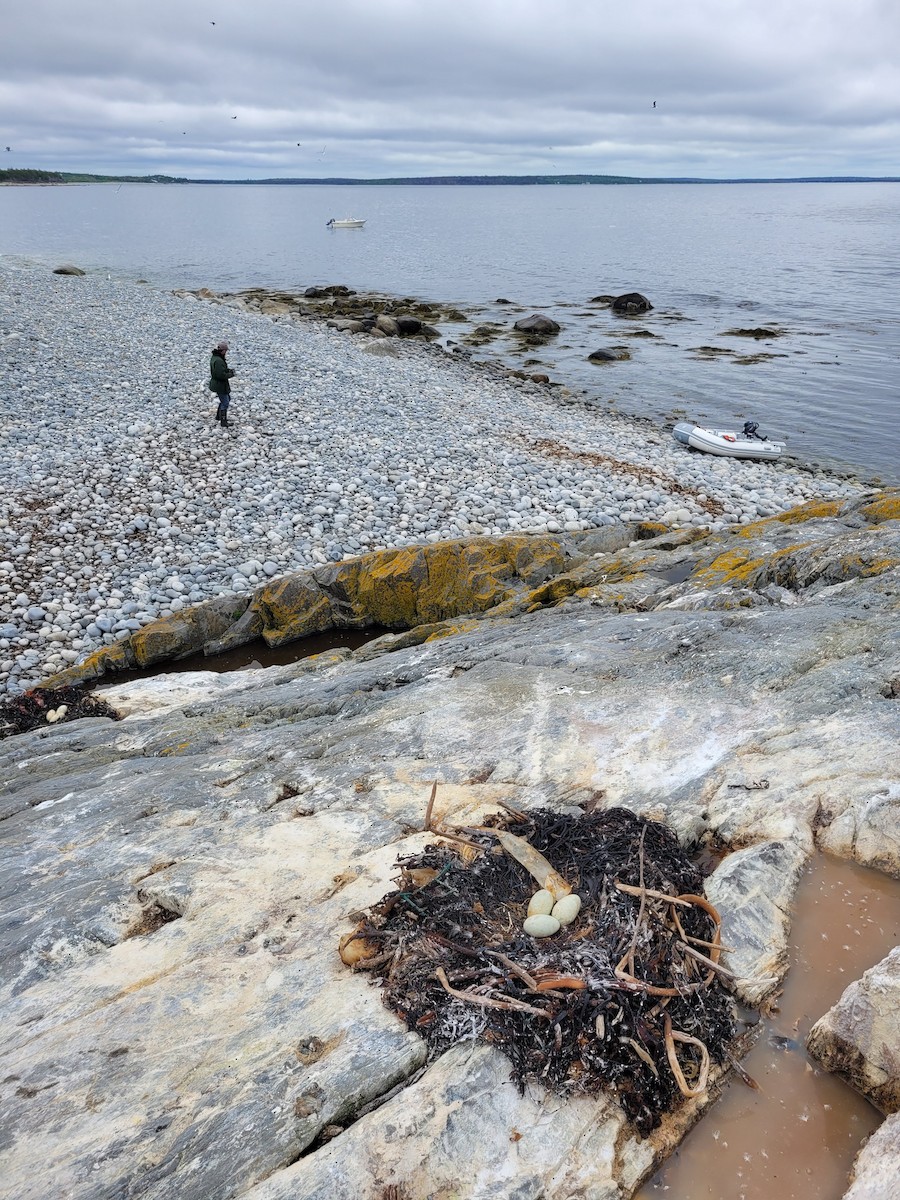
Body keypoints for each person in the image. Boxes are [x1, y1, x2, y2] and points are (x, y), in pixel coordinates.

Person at [209, 341, 235, 426]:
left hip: (217, 384)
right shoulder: (219, 360)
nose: (226, 352)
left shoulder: (215, 358)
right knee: (225, 402)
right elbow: (221, 375)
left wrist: (227, 370)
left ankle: (218, 416)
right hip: (220, 385)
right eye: (226, 351)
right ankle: (223, 422)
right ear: (222, 350)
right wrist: (231, 374)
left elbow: (219, 371)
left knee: (226, 399)